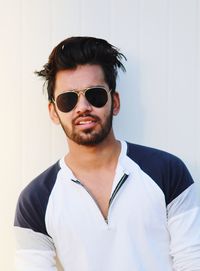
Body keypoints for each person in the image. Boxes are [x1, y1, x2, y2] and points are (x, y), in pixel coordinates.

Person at [14, 36, 200, 271]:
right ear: (53, 112)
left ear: (115, 101)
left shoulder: (167, 172)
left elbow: (192, 261)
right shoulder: (35, 200)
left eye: (95, 95)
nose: (82, 107)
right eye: (68, 99)